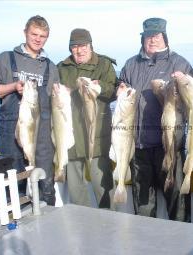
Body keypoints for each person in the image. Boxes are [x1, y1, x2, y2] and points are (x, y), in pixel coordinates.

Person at [117, 17, 193, 221]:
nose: (152, 40)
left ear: (165, 36)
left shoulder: (180, 64)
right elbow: (122, 88)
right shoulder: (131, 64)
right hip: (138, 147)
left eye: (157, 35)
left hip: (169, 146)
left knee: (177, 205)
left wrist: (179, 88)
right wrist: (121, 89)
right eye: (148, 36)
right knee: (142, 207)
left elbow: (191, 105)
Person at [0, 15, 59, 206]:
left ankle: (47, 221)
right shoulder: (6, 58)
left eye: (42, 36)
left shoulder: (50, 67)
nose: (38, 39)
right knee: (12, 184)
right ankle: (13, 226)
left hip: (42, 136)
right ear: (25, 33)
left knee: (45, 184)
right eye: (34, 34)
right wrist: (12, 87)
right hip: (11, 134)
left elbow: (56, 103)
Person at [57, 28, 117, 208]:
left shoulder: (104, 65)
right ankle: (82, 226)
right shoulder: (61, 68)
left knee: (103, 186)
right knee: (76, 190)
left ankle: (110, 223)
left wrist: (100, 87)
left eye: (83, 45)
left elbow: (113, 91)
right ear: (70, 48)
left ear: (91, 46)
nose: (79, 50)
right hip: (71, 138)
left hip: (97, 138)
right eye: (74, 46)